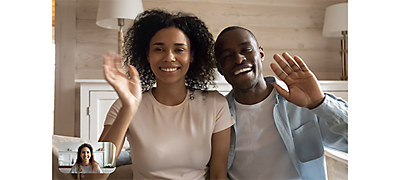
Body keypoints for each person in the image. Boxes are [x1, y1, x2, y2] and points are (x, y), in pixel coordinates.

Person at [99, 9, 234, 180]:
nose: (169, 57)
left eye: (179, 50)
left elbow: (218, 176)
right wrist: (128, 108)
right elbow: (94, 176)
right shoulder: (124, 106)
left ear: (191, 55)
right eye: (159, 49)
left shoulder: (215, 104)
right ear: (147, 55)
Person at [214, 26, 348, 180]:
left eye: (246, 49)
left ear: (261, 53)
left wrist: (320, 103)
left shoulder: (302, 102)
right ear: (220, 68)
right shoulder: (217, 115)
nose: (239, 59)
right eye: (227, 56)